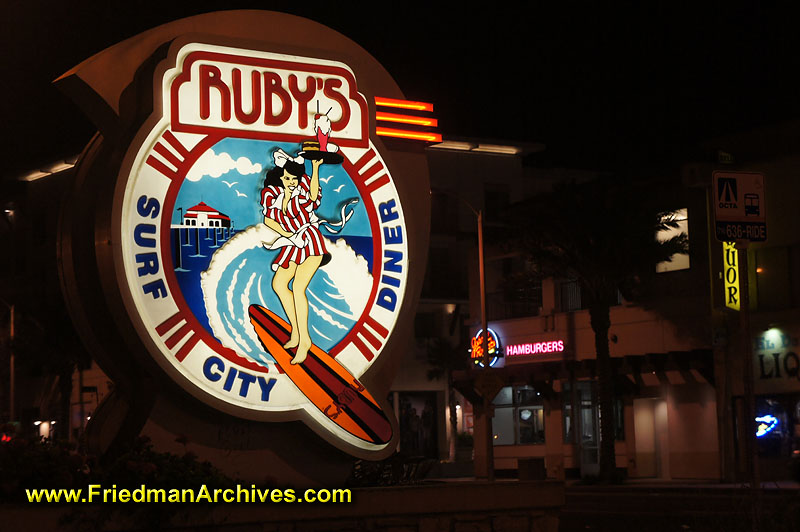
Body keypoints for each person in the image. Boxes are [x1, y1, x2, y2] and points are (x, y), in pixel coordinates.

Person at [260, 150, 326, 364]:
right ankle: (296, 333)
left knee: (298, 288)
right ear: (281, 176)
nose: (291, 182)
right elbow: (270, 221)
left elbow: (314, 196)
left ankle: (305, 340)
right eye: (287, 178)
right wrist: (289, 236)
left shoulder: (302, 194)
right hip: (293, 242)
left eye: (294, 178)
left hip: (310, 241)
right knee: (279, 284)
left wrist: (315, 169)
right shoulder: (273, 196)